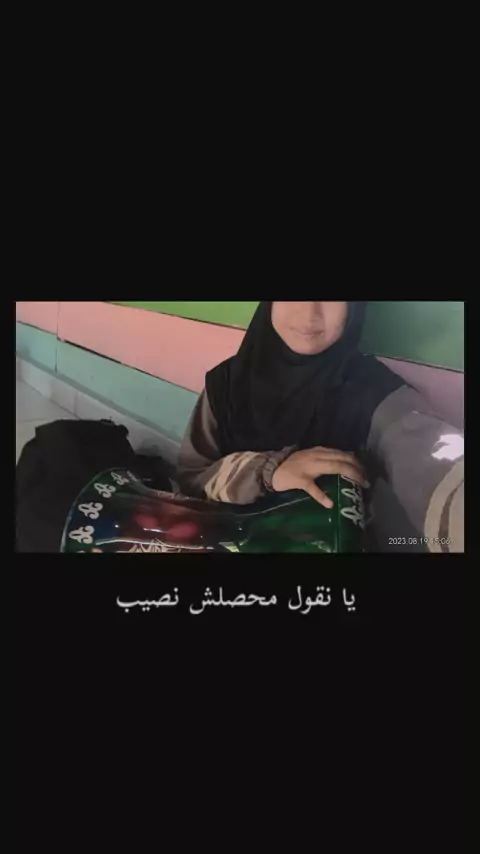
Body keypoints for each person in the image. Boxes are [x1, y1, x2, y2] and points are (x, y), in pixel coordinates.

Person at [177, 301, 464, 553]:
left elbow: (436, 456)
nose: (309, 313)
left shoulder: (371, 393)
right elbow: (192, 479)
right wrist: (267, 472)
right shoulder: (225, 384)